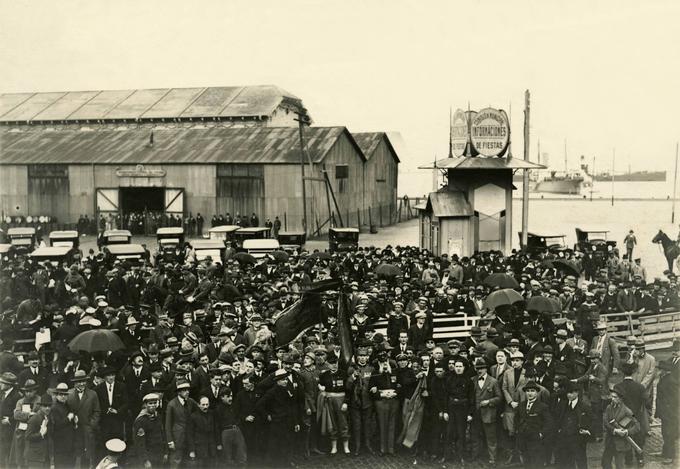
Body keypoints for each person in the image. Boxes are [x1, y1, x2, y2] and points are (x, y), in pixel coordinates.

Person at [471, 357, 501, 466]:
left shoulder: (493, 381)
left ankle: (492, 459)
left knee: (491, 437)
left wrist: (488, 401)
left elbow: (499, 398)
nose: (479, 370)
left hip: (488, 414)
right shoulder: (472, 380)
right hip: (475, 414)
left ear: (486, 369)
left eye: (482, 368)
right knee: (475, 436)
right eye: (477, 368)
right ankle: (475, 458)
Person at [601, 385, 640, 469]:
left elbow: (637, 426)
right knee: (605, 463)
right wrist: (614, 430)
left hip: (620, 444)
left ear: (620, 398)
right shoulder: (608, 407)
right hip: (609, 442)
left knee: (619, 466)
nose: (612, 399)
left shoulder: (627, 411)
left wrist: (627, 431)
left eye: (615, 397)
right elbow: (605, 422)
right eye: (612, 396)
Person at [165, 380, 198, 469]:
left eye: (188, 390)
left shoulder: (191, 402)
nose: (187, 392)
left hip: (190, 437)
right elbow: (168, 424)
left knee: (189, 461)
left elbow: (199, 411)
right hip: (177, 438)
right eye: (184, 390)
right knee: (176, 460)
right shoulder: (171, 404)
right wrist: (170, 440)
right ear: (179, 392)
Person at [133, 393, 167, 468]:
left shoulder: (158, 416)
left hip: (159, 454)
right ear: (145, 405)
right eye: (150, 403)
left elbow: (162, 435)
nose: (153, 405)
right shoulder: (141, 420)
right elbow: (140, 443)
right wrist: (145, 460)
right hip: (149, 455)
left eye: (155, 403)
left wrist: (165, 452)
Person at [655, 360, 678, 466]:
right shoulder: (664, 379)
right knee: (665, 433)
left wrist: (670, 409)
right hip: (665, 412)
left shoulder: (670, 381)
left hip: (670, 413)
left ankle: (670, 456)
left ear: (664, 371)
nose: (658, 371)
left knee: (669, 434)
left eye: (659, 369)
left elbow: (676, 398)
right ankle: (665, 452)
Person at [23, 393, 52, 469]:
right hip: (35, 458)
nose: (47, 408)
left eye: (49, 406)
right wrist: (40, 434)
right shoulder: (35, 418)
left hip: (44, 456)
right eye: (45, 406)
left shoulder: (48, 418)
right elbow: (27, 436)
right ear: (40, 407)